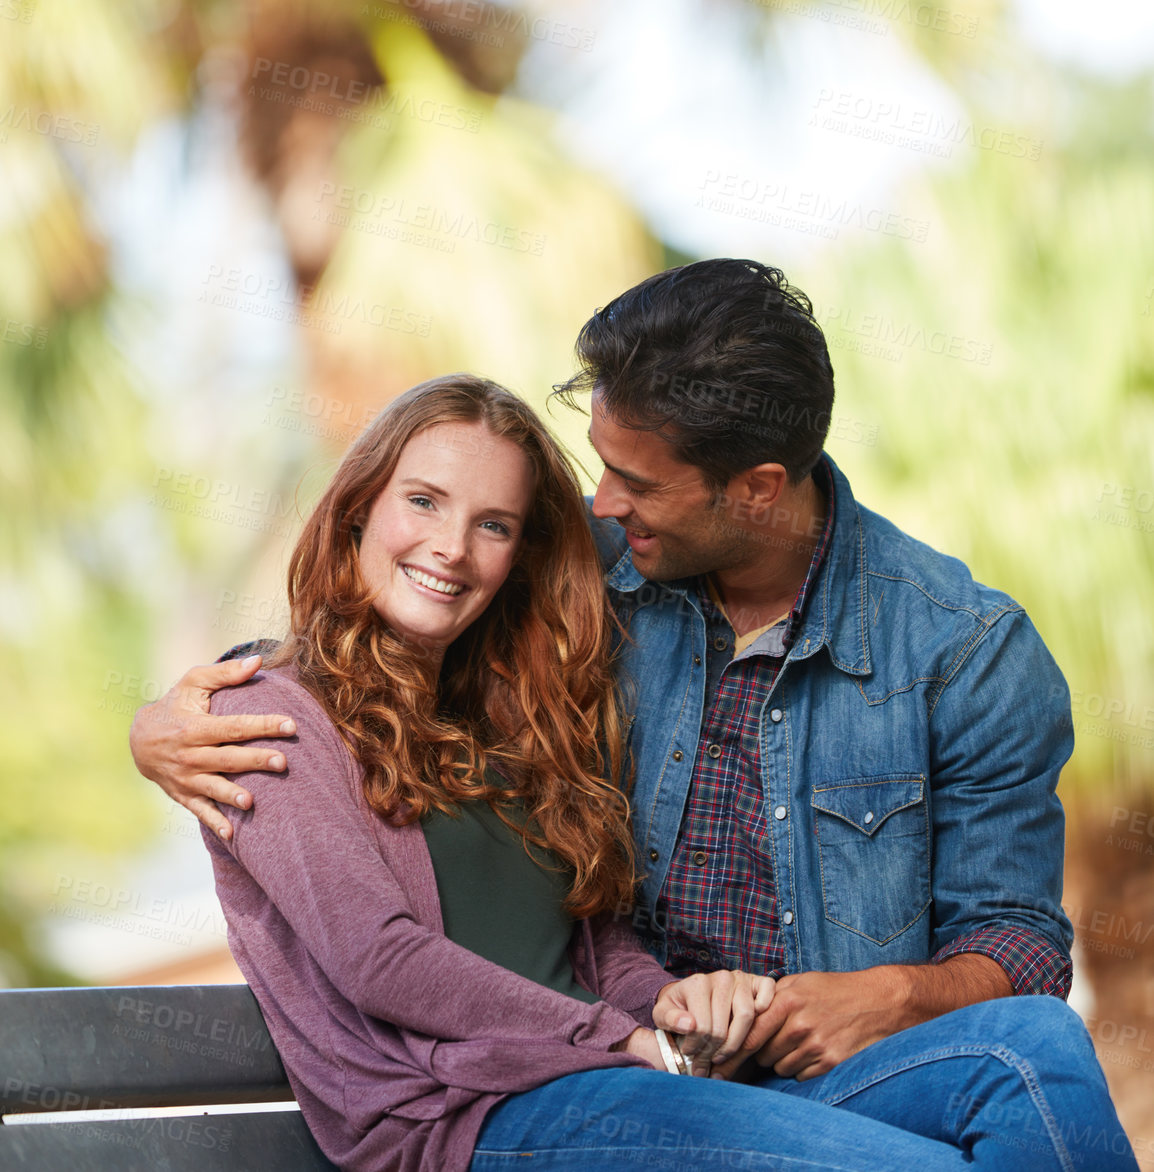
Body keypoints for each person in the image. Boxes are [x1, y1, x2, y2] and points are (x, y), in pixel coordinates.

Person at [133, 264, 1138, 1169]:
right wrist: (180, 716)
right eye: (595, 465)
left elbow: (1019, 944)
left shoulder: (959, 650)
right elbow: (381, 641)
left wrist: (888, 996)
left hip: (777, 1072)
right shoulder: (584, 576)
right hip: (619, 1079)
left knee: (1036, 1046)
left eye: (637, 481)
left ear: (755, 491)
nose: (600, 502)